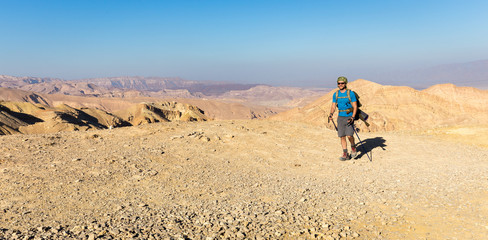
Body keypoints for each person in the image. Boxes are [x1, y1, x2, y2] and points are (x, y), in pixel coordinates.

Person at [328, 76, 358, 161]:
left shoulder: (350, 93)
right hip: (340, 117)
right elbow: (333, 105)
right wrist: (331, 114)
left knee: (349, 135)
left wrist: (353, 117)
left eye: (342, 83)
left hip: (349, 116)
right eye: (339, 83)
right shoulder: (336, 94)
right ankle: (345, 154)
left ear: (345, 83)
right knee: (342, 136)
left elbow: (355, 106)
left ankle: (353, 147)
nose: (340, 85)